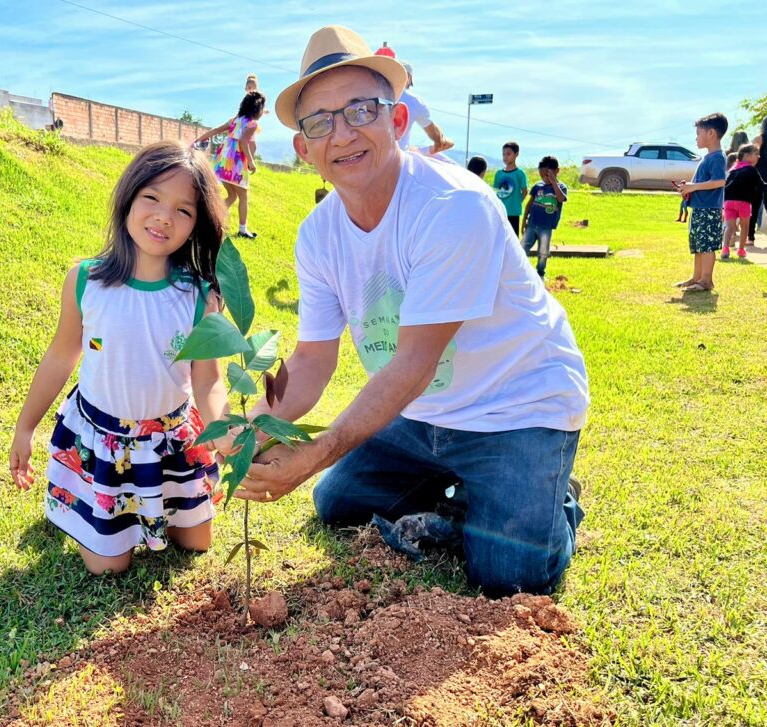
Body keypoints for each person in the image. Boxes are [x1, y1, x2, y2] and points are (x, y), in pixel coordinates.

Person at [236, 25, 589, 597]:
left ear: (397, 121)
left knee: (509, 577)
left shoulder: (453, 207)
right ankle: (465, 491)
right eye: (320, 122)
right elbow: (310, 360)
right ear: (303, 149)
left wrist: (315, 452)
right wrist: (247, 429)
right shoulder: (318, 235)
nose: (342, 134)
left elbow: (415, 363)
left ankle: (556, 496)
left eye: (360, 111)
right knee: (338, 503)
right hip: (423, 415)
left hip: (517, 406)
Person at [9, 141, 233, 575]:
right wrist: (25, 427)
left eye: (183, 210)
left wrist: (227, 434)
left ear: (196, 225)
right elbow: (61, 356)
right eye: (152, 197)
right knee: (108, 568)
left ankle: (159, 503)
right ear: (128, 197)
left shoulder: (199, 297)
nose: (164, 217)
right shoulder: (85, 281)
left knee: (197, 544)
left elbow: (208, 381)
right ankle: (85, 503)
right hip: (103, 441)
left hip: (171, 442)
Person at [194, 91, 266, 239]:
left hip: (223, 162)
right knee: (243, 196)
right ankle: (243, 230)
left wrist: (198, 140)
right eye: (262, 108)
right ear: (256, 109)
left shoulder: (235, 120)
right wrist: (251, 162)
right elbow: (243, 142)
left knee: (232, 195)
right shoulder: (252, 124)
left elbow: (215, 130)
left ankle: (211, 219)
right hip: (236, 164)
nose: (262, 112)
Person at [674, 113, 728, 292]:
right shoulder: (708, 158)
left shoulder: (717, 157)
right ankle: (696, 277)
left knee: (706, 246)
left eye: (698, 133)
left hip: (709, 210)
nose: (696, 138)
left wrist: (694, 187)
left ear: (711, 133)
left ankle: (706, 280)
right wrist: (688, 188)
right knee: (698, 245)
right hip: (699, 208)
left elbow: (720, 181)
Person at [520, 156, 568, 280]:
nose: (544, 179)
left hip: (546, 227)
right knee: (522, 247)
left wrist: (553, 181)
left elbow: (561, 199)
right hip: (532, 223)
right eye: (542, 176)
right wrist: (524, 221)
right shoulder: (537, 186)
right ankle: (519, 270)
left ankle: (540, 273)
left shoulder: (561, 187)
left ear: (556, 171)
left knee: (543, 252)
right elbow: (529, 204)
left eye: (546, 175)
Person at [722, 143, 763, 259]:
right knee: (745, 226)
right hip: (744, 202)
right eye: (756, 154)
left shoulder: (733, 169)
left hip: (728, 202)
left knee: (730, 227)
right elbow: (760, 185)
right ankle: (741, 250)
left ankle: (725, 249)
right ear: (747, 155)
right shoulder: (751, 169)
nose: (758, 157)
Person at [493, 141, 529, 234]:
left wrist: (517, 202)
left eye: (508, 154)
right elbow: (495, 192)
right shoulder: (499, 174)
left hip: (514, 213)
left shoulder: (520, 173)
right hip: (501, 212)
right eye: (503, 154)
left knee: (513, 238)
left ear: (516, 154)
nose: (505, 157)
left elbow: (525, 192)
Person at [750, 118, 767, 246]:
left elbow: (752, 158)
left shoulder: (758, 139)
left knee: (754, 207)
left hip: (759, 176)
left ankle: (750, 237)